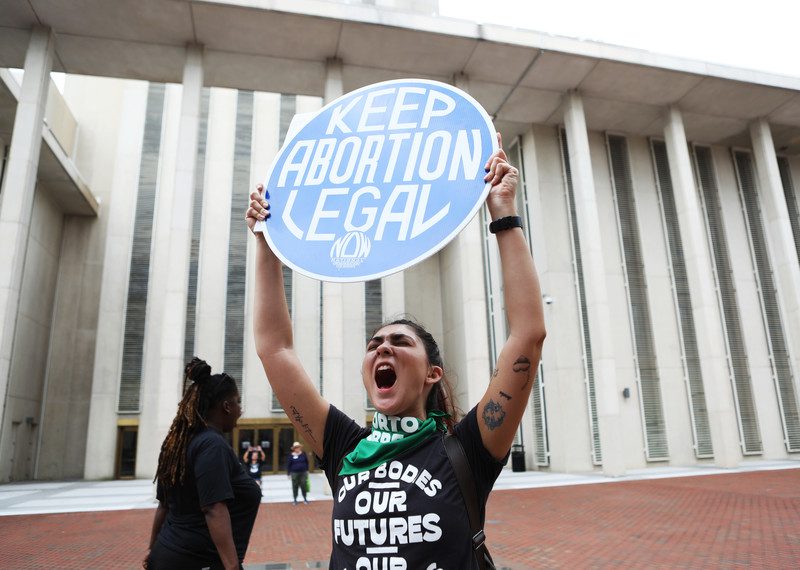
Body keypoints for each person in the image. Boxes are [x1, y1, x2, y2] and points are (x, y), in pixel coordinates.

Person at [245, 134, 546, 568]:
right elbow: (274, 349)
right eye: (374, 344)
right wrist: (266, 243)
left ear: (432, 374)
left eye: (399, 342)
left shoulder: (468, 449)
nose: (382, 346)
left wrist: (503, 212)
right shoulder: (344, 447)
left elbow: (528, 335)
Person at [144, 358, 262, 570]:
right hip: (199, 561)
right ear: (227, 406)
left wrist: (152, 550)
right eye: (238, 402)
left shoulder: (175, 445)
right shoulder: (212, 445)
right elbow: (214, 509)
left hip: (165, 555)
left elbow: (163, 505)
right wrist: (233, 567)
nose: (240, 410)